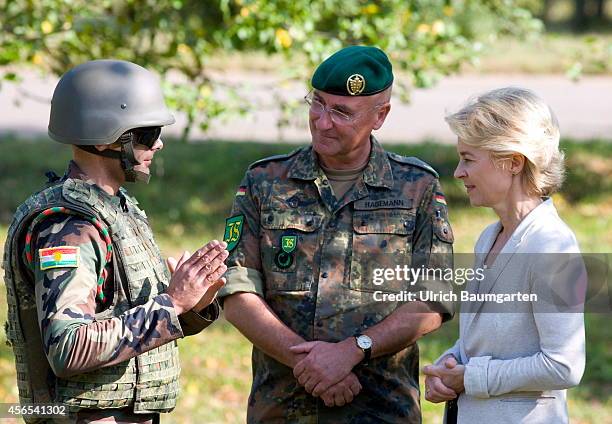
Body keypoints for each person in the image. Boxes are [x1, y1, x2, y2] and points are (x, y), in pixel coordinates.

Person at [219, 45, 455, 423]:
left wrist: (353, 351)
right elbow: (235, 290)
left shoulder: (416, 187)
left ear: (381, 116)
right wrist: (311, 363)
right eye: (318, 103)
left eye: (342, 112)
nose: (322, 121)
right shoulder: (265, 182)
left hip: (381, 408)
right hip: (282, 409)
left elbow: (433, 301)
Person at [3, 60, 228, 423]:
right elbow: (69, 348)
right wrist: (171, 303)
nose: (159, 143)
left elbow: (130, 326)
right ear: (107, 138)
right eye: (148, 132)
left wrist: (190, 306)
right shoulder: (69, 226)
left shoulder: (115, 208)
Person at [422, 87, 586, 423]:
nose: (458, 172)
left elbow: (564, 364)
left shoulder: (552, 245)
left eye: (468, 159)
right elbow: (487, 341)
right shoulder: (488, 237)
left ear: (512, 162)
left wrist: (470, 378)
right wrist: (450, 365)